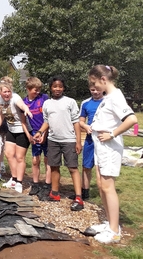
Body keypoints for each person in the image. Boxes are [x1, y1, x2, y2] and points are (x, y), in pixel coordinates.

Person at [88, 65, 137, 244]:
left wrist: (112, 133)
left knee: (108, 187)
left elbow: (132, 119)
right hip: (100, 146)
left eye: (95, 83)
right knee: (101, 185)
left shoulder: (116, 96)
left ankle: (114, 231)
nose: (94, 88)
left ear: (103, 79)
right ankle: (109, 223)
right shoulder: (107, 97)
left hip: (109, 147)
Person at [33, 76, 84, 211]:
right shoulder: (47, 104)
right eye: (55, 86)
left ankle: (79, 197)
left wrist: (78, 142)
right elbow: (46, 122)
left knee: (72, 167)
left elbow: (76, 123)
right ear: (50, 87)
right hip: (53, 140)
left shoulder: (70, 102)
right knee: (54, 166)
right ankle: (54, 193)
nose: (57, 89)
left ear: (63, 88)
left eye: (60, 86)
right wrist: (40, 132)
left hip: (69, 140)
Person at [0, 80, 33, 193]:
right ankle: (14, 179)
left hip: (22, 130)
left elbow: (22, 105)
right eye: (5, 92)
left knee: (20, 157)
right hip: (11, 130)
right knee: (9, 154)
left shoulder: (15, 98)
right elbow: (1, 113)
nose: (7, 94)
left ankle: (19, 183)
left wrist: (27, 110)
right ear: (0, 92)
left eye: (9, 91)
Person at [23, 77, 51, 196]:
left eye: (39, 89)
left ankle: (48, 184)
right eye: (35, 90)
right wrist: (29, 135)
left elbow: (49, 117)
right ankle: (35, 184)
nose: (38, 92)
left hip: (46, 131)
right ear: (28, 89)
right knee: (35, 160)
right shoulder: (24, 102)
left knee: (47, 159)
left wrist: (44, 133)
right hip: (33, 133)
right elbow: (23, 121)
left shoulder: (44, 98)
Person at [76, 85, 104, 200]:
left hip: (103, 139)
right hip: (90, 139)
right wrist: (85, 126)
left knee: (102, 168)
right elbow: (81, 120)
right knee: (86, 166)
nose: (96, 92)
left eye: (98, 90)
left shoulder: (108, 102)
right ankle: (85, 193)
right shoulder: (86, 103)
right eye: (93, 90)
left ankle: (104, 193)